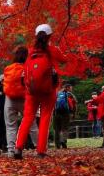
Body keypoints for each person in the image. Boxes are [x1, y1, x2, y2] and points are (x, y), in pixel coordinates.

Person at [14, 24, 67, 159]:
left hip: (31, 90)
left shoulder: (30, 52)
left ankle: (18, 148)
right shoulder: (53, 50)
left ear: (36, 36)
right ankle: (41, 151)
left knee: (27, 118)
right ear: (49, 36)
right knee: (45, 118)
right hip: (48, 90)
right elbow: (64, 60)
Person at [3, 46, 39, 158]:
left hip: (9, 99)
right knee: (32, 124)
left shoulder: (8, 68)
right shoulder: (28, 68)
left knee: (10, 125)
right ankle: (39, 148)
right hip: (25, 99)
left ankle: (10, 151)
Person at [53, 83, 77, 149]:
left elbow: (53, 104)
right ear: (68, 88)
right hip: (66, 113)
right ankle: (63, 140)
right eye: (71, 88)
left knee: (57, 129)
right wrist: (73, 114)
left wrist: (53, 113)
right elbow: (74, 105)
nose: (71, 89)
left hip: (56, 113)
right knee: (65, 128)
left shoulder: (57, 94)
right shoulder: (70, 95)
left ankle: (57, 145)